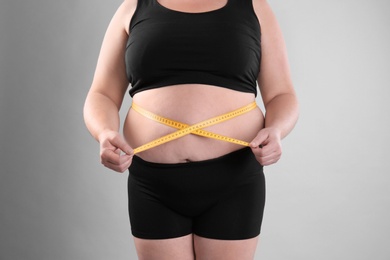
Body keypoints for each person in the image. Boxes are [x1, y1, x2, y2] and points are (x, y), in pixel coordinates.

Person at [83, 0, 299, 259]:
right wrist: (104, 131)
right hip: (153, 185)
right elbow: (102, 93)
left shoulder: (253, 6)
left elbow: (282, 95)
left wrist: (276, 129)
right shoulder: (134, 6)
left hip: (234, 180)